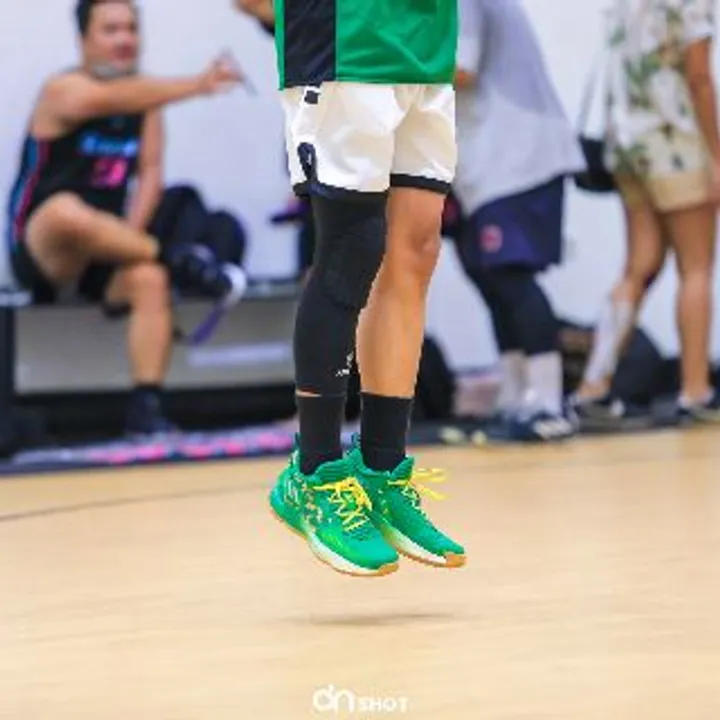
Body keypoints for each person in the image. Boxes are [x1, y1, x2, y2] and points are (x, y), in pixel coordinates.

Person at [264, 0, 466, 576]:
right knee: (352, 248)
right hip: (347, 37)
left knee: (416, 250)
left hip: (424, 38)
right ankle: (315, 474)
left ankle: (381, 467)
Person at [6, 0, 244, 435]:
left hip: (106, 247)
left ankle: (146, 408)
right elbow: (109, 98)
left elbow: (150, 173)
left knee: (149, 278)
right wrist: (199, 84)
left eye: (131, 29)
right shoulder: (63, 89)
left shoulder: (146, 103)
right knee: (65, 210)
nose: (125, 39)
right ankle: (178, 259)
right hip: (46, 248)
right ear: (84, 39)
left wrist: (129, 239)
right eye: (111, 29)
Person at [573, 0, 720, 423]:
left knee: (639, 266)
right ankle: (695, 391)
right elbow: (699, 77)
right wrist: (716, 153)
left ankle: (593, 386)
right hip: (677, 144)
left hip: (628, 146)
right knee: (696, 268)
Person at [453, 0, 586, 442]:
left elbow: (460, 70)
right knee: (490, 282)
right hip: (482, 164)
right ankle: (515, 398)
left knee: (511, 278)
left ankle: (548, 403)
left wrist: (377, 76)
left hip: (516, 157)